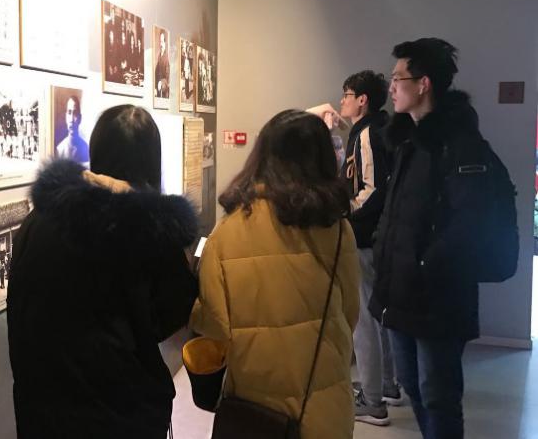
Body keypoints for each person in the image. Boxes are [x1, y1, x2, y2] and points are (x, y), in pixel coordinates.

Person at [7, 105, 198, 438]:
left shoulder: (38, 219)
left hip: (43, 411)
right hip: (120, 416)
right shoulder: (147, 230)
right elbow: (170, 315)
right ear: (151, 160)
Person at [190, 110, 360, 439]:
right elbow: (349, 314)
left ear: (262, 155)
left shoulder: (227, 233)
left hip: (254, 412)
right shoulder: (339, 231)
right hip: (325, 409)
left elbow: (214, 328)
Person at [370, 38, 485, 439]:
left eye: (398, 78)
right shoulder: (407, 141)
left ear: (424, 84)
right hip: (400, 291)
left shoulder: (460, 144)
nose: (391, 87)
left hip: (437, 297)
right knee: (413, 386)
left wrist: (426, 266)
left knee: (439, 395)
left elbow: (471, 222)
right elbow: (396, 213)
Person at [339, 70, 400, 426]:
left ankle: (373, 400)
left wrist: (346, 214)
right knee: (378, 314)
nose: (343, 101)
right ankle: (386, 386)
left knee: (364, 318)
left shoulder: (367, 134)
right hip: (378, 235)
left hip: (364, 236)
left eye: (347, 95)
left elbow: (372, 188)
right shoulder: (377, 129)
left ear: (362, 100)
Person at [55, 95, 89, 164]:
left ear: (80, 118)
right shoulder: (60, 149)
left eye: (75, 113)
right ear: (66, 116)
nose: (71, 119)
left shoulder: (85, 147)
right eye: (69, 113)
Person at [155, 30, 170, 98]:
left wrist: (161, 82)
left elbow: (168, 77)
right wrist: (155, 87)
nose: (161, 44)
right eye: (160, 42)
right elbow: (156, 72)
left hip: (164, 92)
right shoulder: (159, 55)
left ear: (165, 42)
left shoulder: (167, 57)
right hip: (158, 90)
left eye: (162, 42)